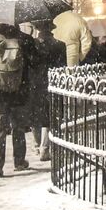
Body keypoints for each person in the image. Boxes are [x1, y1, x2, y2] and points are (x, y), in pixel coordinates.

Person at [0, 22, 36, 177]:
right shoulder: (25, 40)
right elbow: (34, 63)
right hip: (19, 91)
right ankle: (19, 161)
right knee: (18, 126)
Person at [23, 21, 66, 152]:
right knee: (50, 114)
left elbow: (28, 64)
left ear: (37, 29)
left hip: (35, 83)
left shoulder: (31, 45)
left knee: (35, 114)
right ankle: (45, 146)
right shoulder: (60, 45)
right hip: (52, 82)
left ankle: (36, 144)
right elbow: (62, 67)